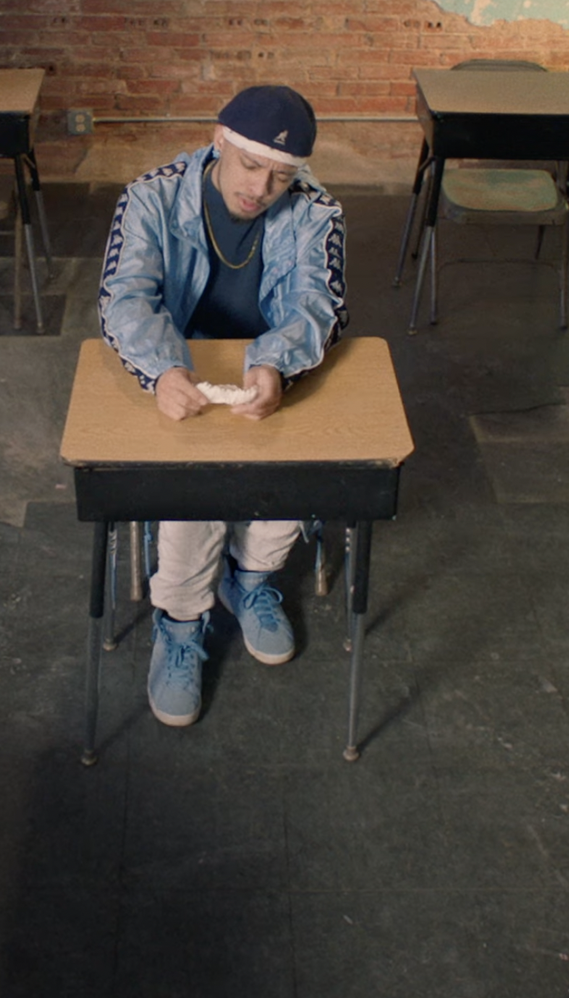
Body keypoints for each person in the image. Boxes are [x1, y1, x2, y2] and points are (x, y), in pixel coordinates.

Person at [97, 84, 348, 727]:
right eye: (251, 165)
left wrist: (276, 363)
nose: (261, 188)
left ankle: (250, 577)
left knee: (296, 464)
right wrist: (162, 369)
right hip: (180, 363)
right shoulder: (150, 196)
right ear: (218, 142)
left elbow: (317, 304)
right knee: (194, 489)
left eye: (282, 176)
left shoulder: (318, 211)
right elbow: (125, 298)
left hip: (263, 366)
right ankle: (182, 620)